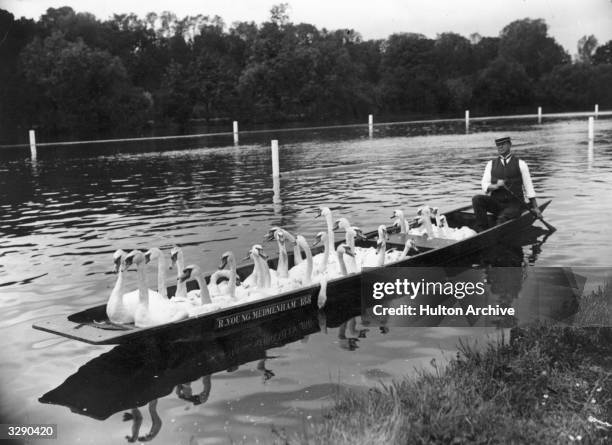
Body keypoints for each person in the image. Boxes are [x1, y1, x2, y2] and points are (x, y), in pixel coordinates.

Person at [472, 136, 542, 232]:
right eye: (498, 145)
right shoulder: (490, 164)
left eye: (503, 144)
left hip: (515, 204)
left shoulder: (521, 164)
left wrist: (536, 208)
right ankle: (481, 229)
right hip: (497, 203)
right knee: (476, 199)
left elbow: (529, 188)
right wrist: (496, 186)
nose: (500, 147)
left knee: (502, 218)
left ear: (509, 145)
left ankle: (496, 230)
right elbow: (484, 185)